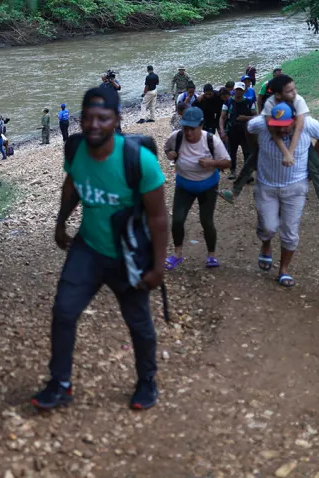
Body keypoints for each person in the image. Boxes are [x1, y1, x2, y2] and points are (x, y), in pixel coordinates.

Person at [32, 86, 167, 412]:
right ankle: (60, 383)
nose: (94, 125)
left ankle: (147, 380)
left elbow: (159, 218)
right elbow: (72, 185)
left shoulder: (140, 161)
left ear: (117, 120)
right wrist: (61, 222)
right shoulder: (76, 150)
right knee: (64, 312)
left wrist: (158, 267)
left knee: (138, 323)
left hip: (128, 255)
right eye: (88, 118)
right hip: (88, 249)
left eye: (102, 118)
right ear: (81, 121)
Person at [221, 75, 319, 211]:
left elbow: (313, 130)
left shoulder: (298, 102)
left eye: (293, 89)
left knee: (316, 166)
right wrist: (256, 147)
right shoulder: (270, 104)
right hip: (276, 131)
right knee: (252, 160)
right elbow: (259, 127)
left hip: (299, 137)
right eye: (288, 90)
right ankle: (234, 192)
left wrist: (315, 154)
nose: (293, 92)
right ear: (277, 94)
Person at [248, 103, 319, 287]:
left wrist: (313, 162)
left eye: (286, 124)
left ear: (294, 120)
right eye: (278, 125)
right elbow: (249, 129)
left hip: (296, 187)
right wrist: (256, 150)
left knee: (290, 232)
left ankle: (283, 269)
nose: (283, 129)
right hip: (266, 185)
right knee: (268, 227)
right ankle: (266, 244)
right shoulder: (261, 124)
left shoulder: (307, 124)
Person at [163, 107, 231, 270]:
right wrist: (170, 154)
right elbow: (167, 149)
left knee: (206, 221)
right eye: (185, 127)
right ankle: (178, 254)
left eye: (192, 128)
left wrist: (212, 163)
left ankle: (211, 256)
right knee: (177, 220)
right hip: (184, 186)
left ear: (201, 125)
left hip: (208, 185)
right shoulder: (176, 137)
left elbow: (227, 162)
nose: (188, 132)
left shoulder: (211, 141)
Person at [219, 82, 256, 180]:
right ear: (233, 90)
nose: (238, 92)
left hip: (246, 132)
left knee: (247, 152)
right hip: (232, 131)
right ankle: (232, 171)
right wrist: (222, 130)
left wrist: (246, 117)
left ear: (244, 91)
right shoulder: (228, 102)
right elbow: (222, 117)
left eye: (240, 90)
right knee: (232, 152)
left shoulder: (249, 102)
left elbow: (256, 116)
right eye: (237, 90)